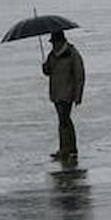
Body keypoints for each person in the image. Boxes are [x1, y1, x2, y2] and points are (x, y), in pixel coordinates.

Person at [42, 30, 85, 161]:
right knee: (64, 120)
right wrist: (45, 67)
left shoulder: (72, 54)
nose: (53, 45)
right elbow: (48, 71)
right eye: (52, 43)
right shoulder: (52, 55)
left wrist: (78, 95)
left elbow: (79, 75)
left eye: (54, 42)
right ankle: (69, 148)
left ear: (61, 41)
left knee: (64, 120)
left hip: (67, 93)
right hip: (56, 93)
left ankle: (67, 149)